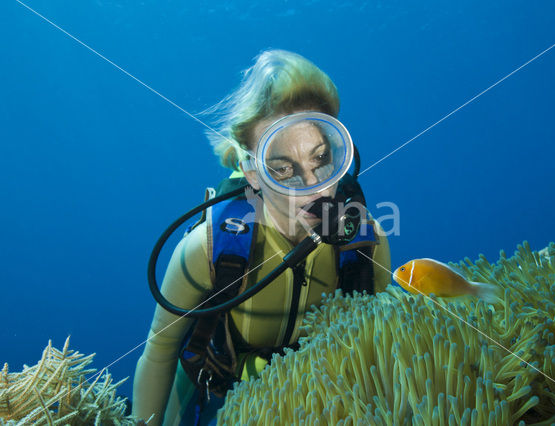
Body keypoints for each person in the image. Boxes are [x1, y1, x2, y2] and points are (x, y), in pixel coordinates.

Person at [132, 49, 391, 426]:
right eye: (283, 170)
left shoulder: (366, 241)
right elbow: (160, 350)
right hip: (220, 388)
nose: (314, 187)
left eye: (321, 159)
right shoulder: (208, 249)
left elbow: (384, 344)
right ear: (253, 174)